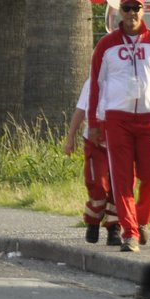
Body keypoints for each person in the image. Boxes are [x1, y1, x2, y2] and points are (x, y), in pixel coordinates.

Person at [86, 0, 150, 252]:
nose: (132, 12)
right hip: (117, 120)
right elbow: (97, 85)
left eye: (136, 7)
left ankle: (140, 219)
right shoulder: (106, 45)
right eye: (127, 8)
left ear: (143, 10)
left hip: (149, 119)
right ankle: (130, 234)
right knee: (122, 180)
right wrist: (95, 122)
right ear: (119, 12)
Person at [61, 79, 121, 246]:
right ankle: (93, 221)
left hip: (120, 143)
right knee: (97, 184)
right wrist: (70, 138)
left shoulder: (125, 79)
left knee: (118, 187)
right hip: (95, 142)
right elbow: (80, 111)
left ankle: (114, 227)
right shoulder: (91, 82)